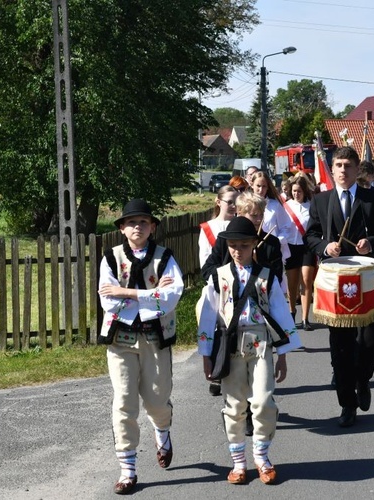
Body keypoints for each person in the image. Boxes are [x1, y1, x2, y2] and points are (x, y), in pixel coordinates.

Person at [197, 216, 301, 485]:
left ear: (254, 244)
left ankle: (262, 457)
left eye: (243, 245)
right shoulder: (217, 277)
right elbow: (208, 316)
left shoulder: (267, 277)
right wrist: (207, 355)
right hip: (230, 344)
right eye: (232, 245)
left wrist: (283, 355)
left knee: (264, 401)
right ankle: (238, 462)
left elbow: (280, 313)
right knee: (234, 405)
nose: (237, 250)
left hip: (261, 342)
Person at [97, 199, 184, 495]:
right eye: (131, 222)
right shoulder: (110, 258)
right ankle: (128, 469)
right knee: (124, 403)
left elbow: (171, 297)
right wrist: (151, 294)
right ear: (122, 228)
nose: (137, 227)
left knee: (157, 400)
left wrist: (129, 292)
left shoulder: (165, 257)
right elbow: (108, 300)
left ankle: (162, 432)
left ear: (153, 227)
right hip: (121, 340)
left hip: (155, 340)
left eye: (143, 222)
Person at [305, 146, 374, 427]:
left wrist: (372, 243)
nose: (343, 170)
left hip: (365, 280)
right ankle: (347, 405)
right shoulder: (321, 201)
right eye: (338, 165)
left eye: (348, 165)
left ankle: (362, 379)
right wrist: (323, 245)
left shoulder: (372, 197)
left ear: (357, 170)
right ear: (332, 169)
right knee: (340, 345)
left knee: (370, 339)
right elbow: (310, 235)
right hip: (334, 281)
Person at [199, 186, 239, 396]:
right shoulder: (208, 227)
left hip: (238, 286)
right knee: (207, 320)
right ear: (218, 202)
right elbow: (205, 262)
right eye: (229, 201)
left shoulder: (241, 226)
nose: (233, 206)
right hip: (214, 286)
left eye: (236, 202)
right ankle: (214, 369)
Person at [284, 174, 317, 330]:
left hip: (307, 247)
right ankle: (291, 311)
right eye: (294, 191)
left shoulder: (312, 206)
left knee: (306, 280)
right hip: (291, 246)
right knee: (292, 283)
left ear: (305, 191)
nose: (296, 194)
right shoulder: (285, 206)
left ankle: (305, 318)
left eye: (299, 191)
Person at [251, 171, 293, 265]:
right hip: (250, 248)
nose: (261, 189)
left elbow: (286, 226)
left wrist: (278, 241)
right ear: (252, 185)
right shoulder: (245, 205)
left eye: (264, 186)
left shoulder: (275, 205)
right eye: (258, 186)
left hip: (271, 249)